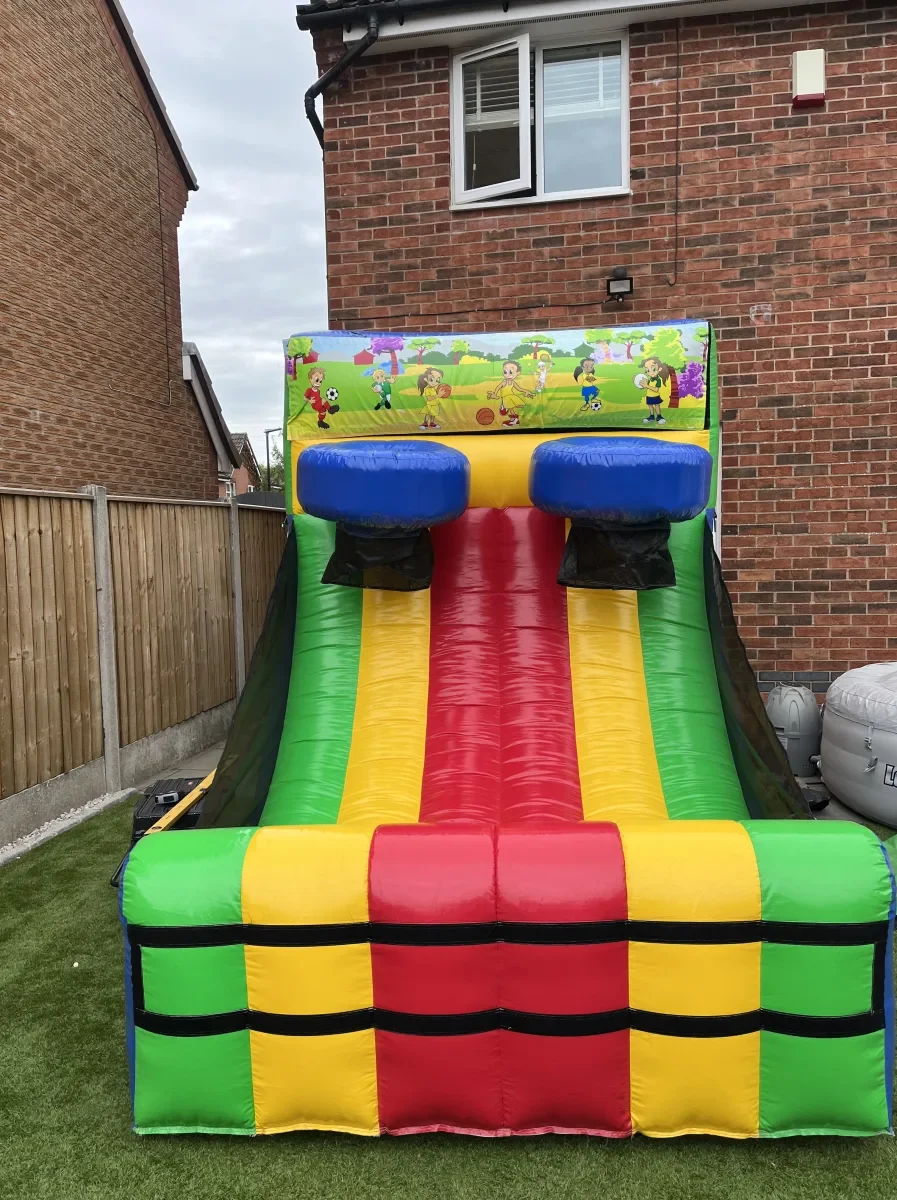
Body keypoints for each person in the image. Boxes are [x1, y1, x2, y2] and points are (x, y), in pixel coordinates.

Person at [487, 360, 533, 427]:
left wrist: (526, 391)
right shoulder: (505, 381)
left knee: (510, 408)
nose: (507, 374)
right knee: (510, 408)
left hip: (509, 397)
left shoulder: (513, 382)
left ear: (517, 373)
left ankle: (514, 420)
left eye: (511, 372)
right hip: (505, 397)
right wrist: (495, 394)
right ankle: (510, 414)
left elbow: (519, 389)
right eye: (505, 372)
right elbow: (498, 387)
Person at [639, 356, 669, 424]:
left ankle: (659, 417)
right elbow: (648, 387)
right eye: (647, 370)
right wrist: (641, 384)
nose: (650, 372)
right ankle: (651, 416)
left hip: (655, 396)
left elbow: (656, 389)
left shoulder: (658, 380)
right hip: (649, 396)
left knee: (657, 406)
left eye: (653, 369)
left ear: (659, 369)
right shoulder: (650, 379)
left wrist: (647, 386)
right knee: (650, 406)